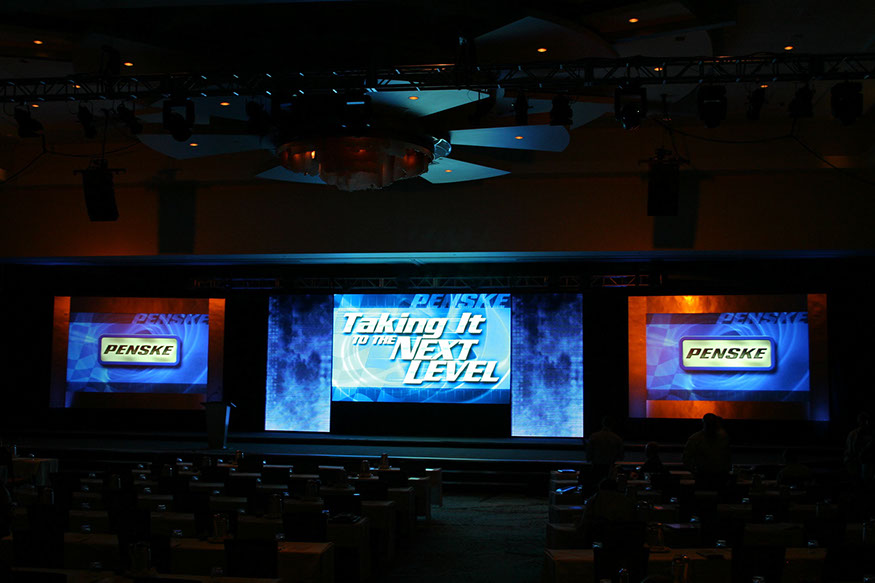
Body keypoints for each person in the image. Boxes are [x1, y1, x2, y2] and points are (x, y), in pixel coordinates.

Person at [682, 413, 731, 490]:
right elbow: (686, 459)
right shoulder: (723, 438)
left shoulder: (695, 438)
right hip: (708, 476)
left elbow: (686, 459)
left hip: (716, 476)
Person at [586, 416, 625, 481]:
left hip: (596, 467)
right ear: (612, 425)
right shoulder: (617, 438)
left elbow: (589, 454)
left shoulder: (594, 437)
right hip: (610, 468)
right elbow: (621, 456)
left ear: (602, 423)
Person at [844, 412, 873, 483]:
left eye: (866, 420)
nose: (866, 423)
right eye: (863, 420)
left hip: (866, 460)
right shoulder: (853, 434)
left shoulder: (870, 434)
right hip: (855, 460)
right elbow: (850, 449)